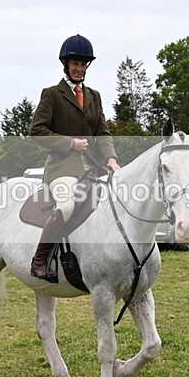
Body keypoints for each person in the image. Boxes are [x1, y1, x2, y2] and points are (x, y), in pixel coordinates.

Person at [28, 34, 121, 282]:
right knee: (67, 205)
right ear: (66, 65)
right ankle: (39, 260)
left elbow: (102, 132)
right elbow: (36, 132)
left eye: (83, 64)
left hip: (94, 168)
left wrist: (111, 158)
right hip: (62, 168)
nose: (79, 69)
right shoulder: (52, 95)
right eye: (75, 64)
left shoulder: (94, 95)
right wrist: (70, 143)